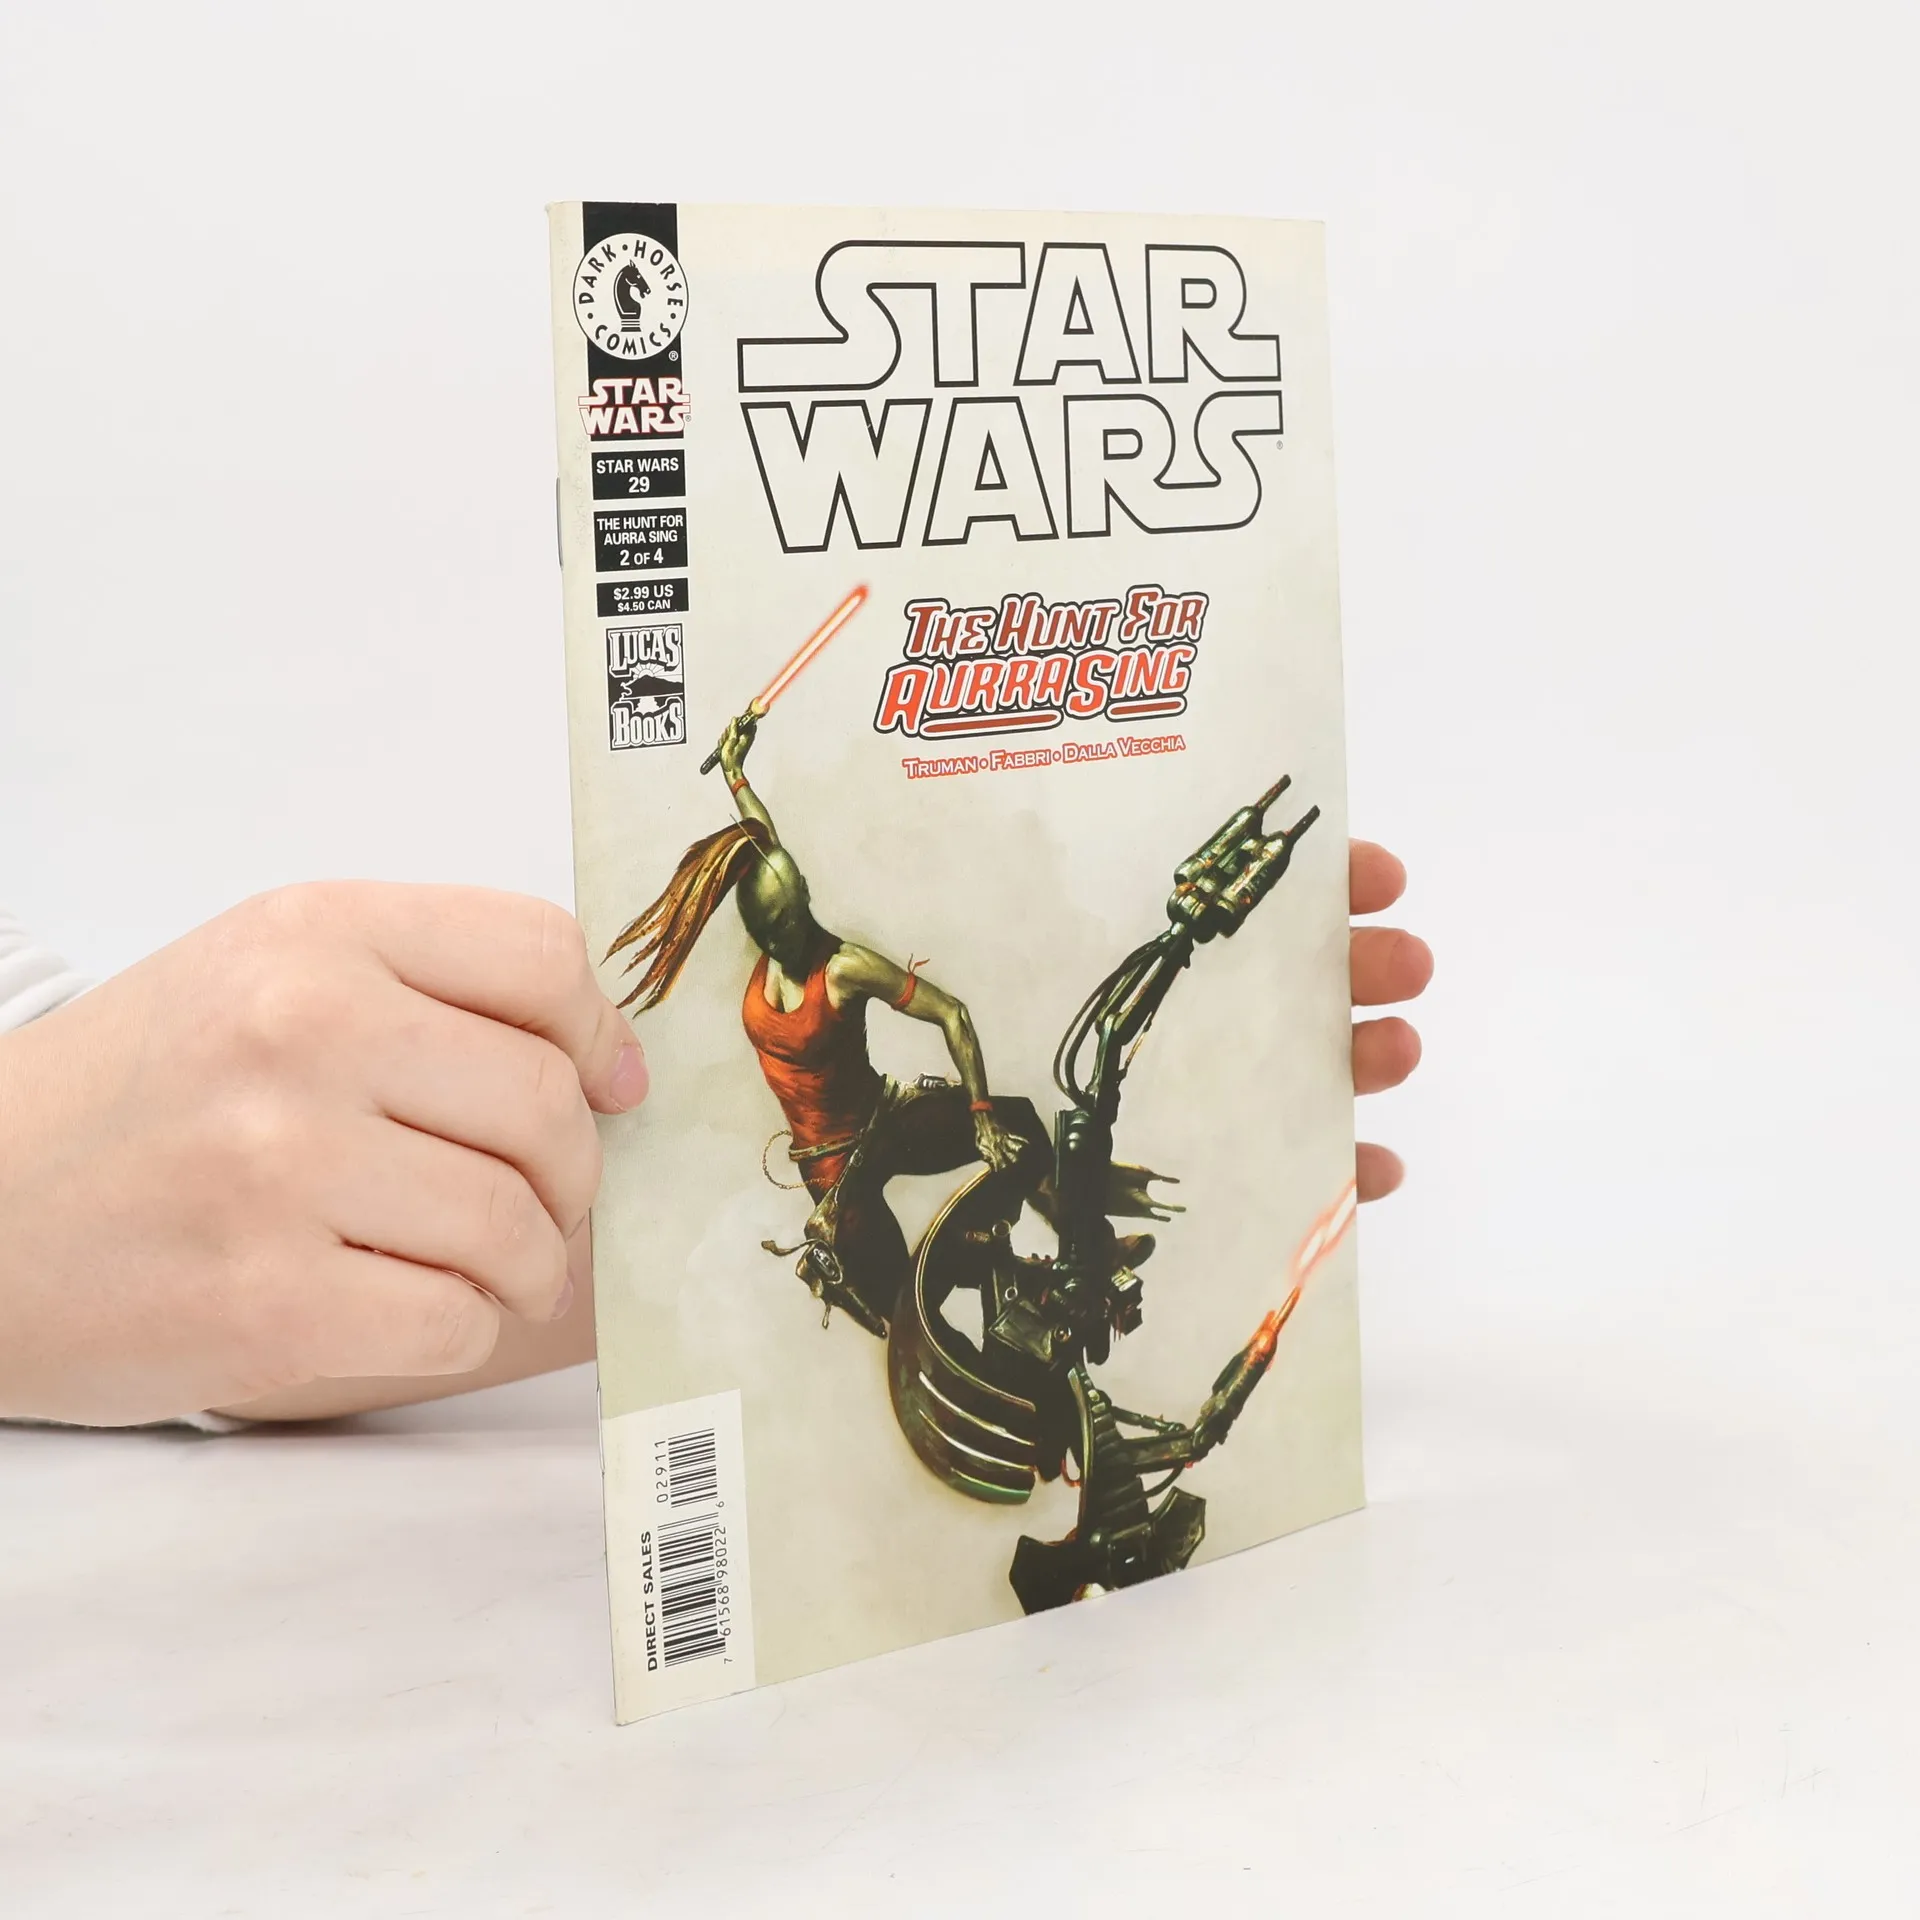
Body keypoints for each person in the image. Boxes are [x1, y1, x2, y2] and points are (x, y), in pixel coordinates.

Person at [0, 837, 1430, 1428]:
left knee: (1007, 1183)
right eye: (782, 906)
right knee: (910, 1303)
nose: (792, 917)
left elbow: (942, 1013)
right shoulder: (793, 977)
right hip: (841, 1164)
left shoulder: (813, 971)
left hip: (874, 1143)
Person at [605, 713, 1053, 1335]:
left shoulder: (843, 967)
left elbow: (952, 1013)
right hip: (834, 1172)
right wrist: (734, 771)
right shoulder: (777, 920)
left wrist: (981, 1116)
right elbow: (765, 844)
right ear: (760, 929)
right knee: (908, 1320)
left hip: (886, 1121)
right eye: (772, 933)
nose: (785, 940)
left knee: (1023, 1124)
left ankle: (1059, 1256)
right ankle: (976, 1265)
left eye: (789, 923)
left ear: (801, 900)